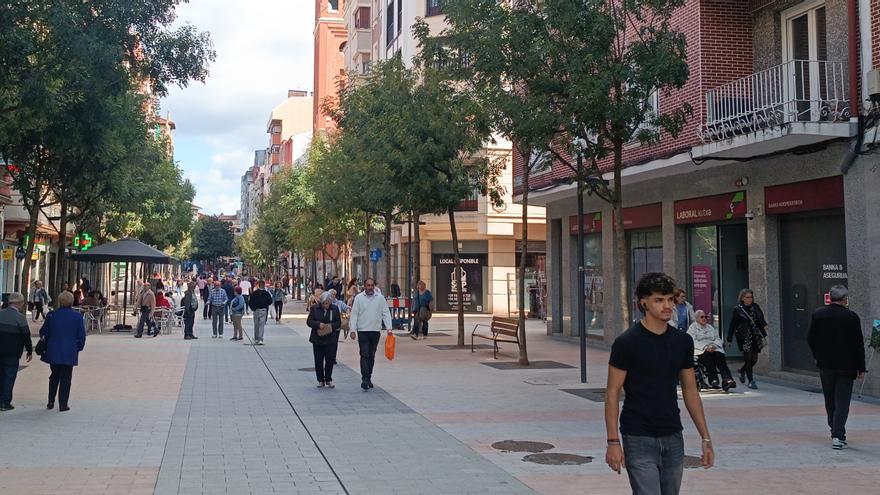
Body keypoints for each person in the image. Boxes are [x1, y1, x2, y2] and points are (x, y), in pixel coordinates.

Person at [605, 272, 713, 493]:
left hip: (673, 434)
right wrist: (613, 442)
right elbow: (613, 392)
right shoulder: (627, 343)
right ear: (643, 302)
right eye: (659, 300)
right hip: (638, 436)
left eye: (670, 299)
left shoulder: (682, 341)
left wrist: (706, 437)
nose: (667, 306)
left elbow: (690, 390)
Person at [807, 285, 866, 450]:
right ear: (844, 298)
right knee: (843, 401)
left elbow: (810, 338)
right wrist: (861, 367)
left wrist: (817, 355)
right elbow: (858, 344)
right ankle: (838, 435)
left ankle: (834, 427)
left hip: (825, 364)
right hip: (846, 365)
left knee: (830, 398)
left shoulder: (818, 314)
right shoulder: (851, 317)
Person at [40, 291, 86, 412]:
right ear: (72, 302)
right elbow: (81, 335)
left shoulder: (51, 315)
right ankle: (63, 404)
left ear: (59, 301)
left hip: (53, 349)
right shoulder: (77, 316)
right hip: (69, 349)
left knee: (54, 375)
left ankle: (50, 401)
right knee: (66, 377)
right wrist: (78, 347)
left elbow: (43, 331)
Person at [349, 278, 392, 391]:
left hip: (375, 330)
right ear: (364, 286)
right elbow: (354, 314)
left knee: (371, 355)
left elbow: (386, 313)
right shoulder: (359, 298)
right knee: (364, 354)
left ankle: (368, 377)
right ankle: (364, 379)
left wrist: (389, 328)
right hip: (362, 330)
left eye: (372, 285)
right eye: (368, 285)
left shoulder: (380, 298)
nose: (370, 287)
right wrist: (352, 329)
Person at [726, 288, 768, 389]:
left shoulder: (755, 307)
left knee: (754, 359)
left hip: (755, 335)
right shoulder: (738, 309)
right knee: (748, 358)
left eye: (751, 297)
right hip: (745, 336)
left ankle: (742, 370)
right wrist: (729, 338)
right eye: (747, 297)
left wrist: (764, 325)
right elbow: (733, 324)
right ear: (742, 298)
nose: (750, 299)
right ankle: (751, 381)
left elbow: (760, 318)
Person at [688, 310, 736, 392]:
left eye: (705, 317)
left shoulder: (710, 327)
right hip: (701, 350)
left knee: (720, 357)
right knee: (708, 356)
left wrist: (714, 345)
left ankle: (727, 380)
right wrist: (705, 347)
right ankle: (713, 380)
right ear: (696, 318)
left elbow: (717, 338)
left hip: (714, 348)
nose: (704, 318)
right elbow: (692, 341)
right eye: (702, 317)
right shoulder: (692, 328)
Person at [0, 293, 32, 411]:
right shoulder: (20, 318)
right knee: (9, 376)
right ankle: (4, 402)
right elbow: (26, 336)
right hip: (12, 352)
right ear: (19, 303)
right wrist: (29, 350)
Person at [307, 292, 341, 388]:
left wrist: (329, 326)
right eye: (323, 303)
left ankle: (328, 379)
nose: (325, 305)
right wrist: (318, 324)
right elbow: (309, 321)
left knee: (330, 359)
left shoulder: (334, 309)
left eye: (327, 303)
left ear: (330, 302)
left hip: (330, 338)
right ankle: (320, 380)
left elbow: (338, 323)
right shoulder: (315, 308)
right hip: (317, 338)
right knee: (318, 360)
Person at [248, 280, 272, 345]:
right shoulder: (266, 293)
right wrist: (265, 305)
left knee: (256, 325)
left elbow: (250, 302)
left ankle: (256, 338)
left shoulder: (254, 293)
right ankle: (260, 338)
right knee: (261, 325)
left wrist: (253, 308)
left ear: (258, 285)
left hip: (256, 310)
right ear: (264, 286)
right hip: (263, 310)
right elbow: (270, 301)